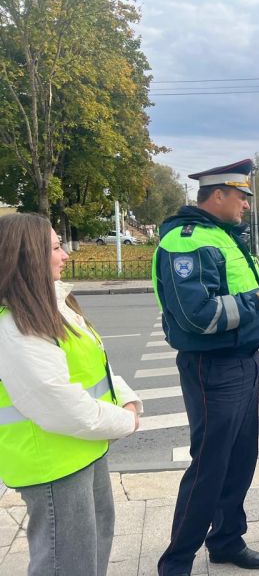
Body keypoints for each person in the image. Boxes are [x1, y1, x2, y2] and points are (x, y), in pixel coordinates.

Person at [153, 159, 259, 575]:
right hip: (214, 368)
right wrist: (256, 302)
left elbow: (234, 294)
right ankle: (176, 562)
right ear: (219, 195)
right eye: (243, 196)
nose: (247, 205)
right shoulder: (185, 241)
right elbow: (197, 315)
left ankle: (226, 540)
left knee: (239, 459)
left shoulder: (222, 237)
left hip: (243, 361)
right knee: (210, 465)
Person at [0, 213, 142, 576]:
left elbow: (94, 363)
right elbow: (56, 403)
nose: (65, 255)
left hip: (81, 450)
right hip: (52, 464)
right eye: (55, 247)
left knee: (90, 550)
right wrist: (124, 420)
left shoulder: (52, 305)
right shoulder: (15, 325)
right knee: (67, 563)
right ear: (27, 256)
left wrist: (126, 397)